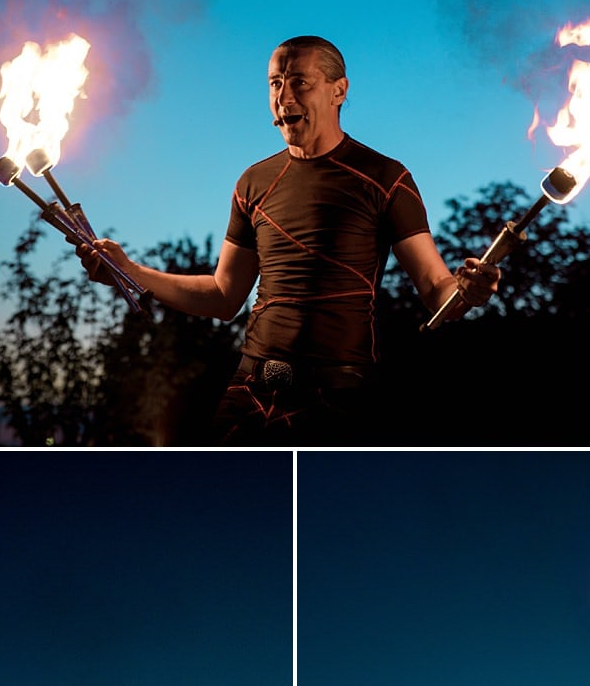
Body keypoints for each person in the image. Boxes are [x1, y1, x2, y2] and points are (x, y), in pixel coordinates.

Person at [77, 35, 500, 445]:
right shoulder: (253, 182)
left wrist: (467, 290)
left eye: (300, 81)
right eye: (275, 83)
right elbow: (224, 295)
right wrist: (129, 273)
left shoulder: (386, 178)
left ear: (339, 91)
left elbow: (435, 289)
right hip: (251, 391)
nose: (283, 97)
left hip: (340, 398)